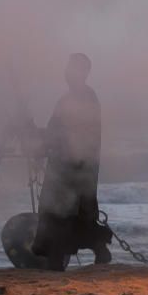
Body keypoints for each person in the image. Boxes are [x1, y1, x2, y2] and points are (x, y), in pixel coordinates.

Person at [31, 53, 112, 270]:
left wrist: (45, 143)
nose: (67, 72)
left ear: (83, 72)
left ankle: (57, 261)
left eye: (72, 68)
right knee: (71, 215)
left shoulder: (84, 98)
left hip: (73, 169)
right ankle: (98, 251)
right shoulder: (70, 99)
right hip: (70, 167)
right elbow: (55, 131)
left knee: (60, 214)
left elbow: (70, 134)